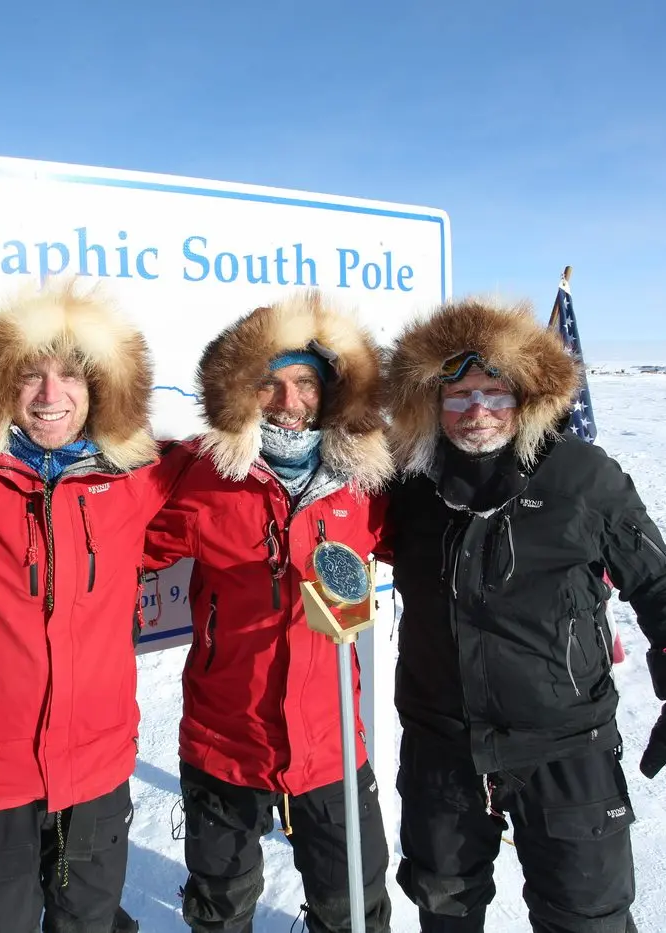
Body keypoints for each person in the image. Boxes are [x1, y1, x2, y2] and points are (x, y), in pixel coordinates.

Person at [383, 297, 666, 933]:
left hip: (567, 745)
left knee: (586, 918)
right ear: (430, 404)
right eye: (456, 395)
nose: (476, 411)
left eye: (493, 391)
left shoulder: (582, 477)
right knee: (443, 906)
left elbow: (659, 583)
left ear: (524, 397)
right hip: (443, 744)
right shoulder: (409, 484)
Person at [0, 281, 184, 933]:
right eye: (29, 375)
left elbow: (232, 483)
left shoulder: (137, 479)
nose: (50, 395)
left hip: (96, 774)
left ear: (100, 387)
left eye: (70, 374)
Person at [144, 293, 395, 933]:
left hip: (333, 744)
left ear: (332, 391)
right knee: (221, 909)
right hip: (223, 743)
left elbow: (445, 544)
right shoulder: (201, 477)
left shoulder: (370, 484)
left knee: (354, 912)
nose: (288, 402)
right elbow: (112, 535)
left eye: (305, 382)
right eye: (269, 384)